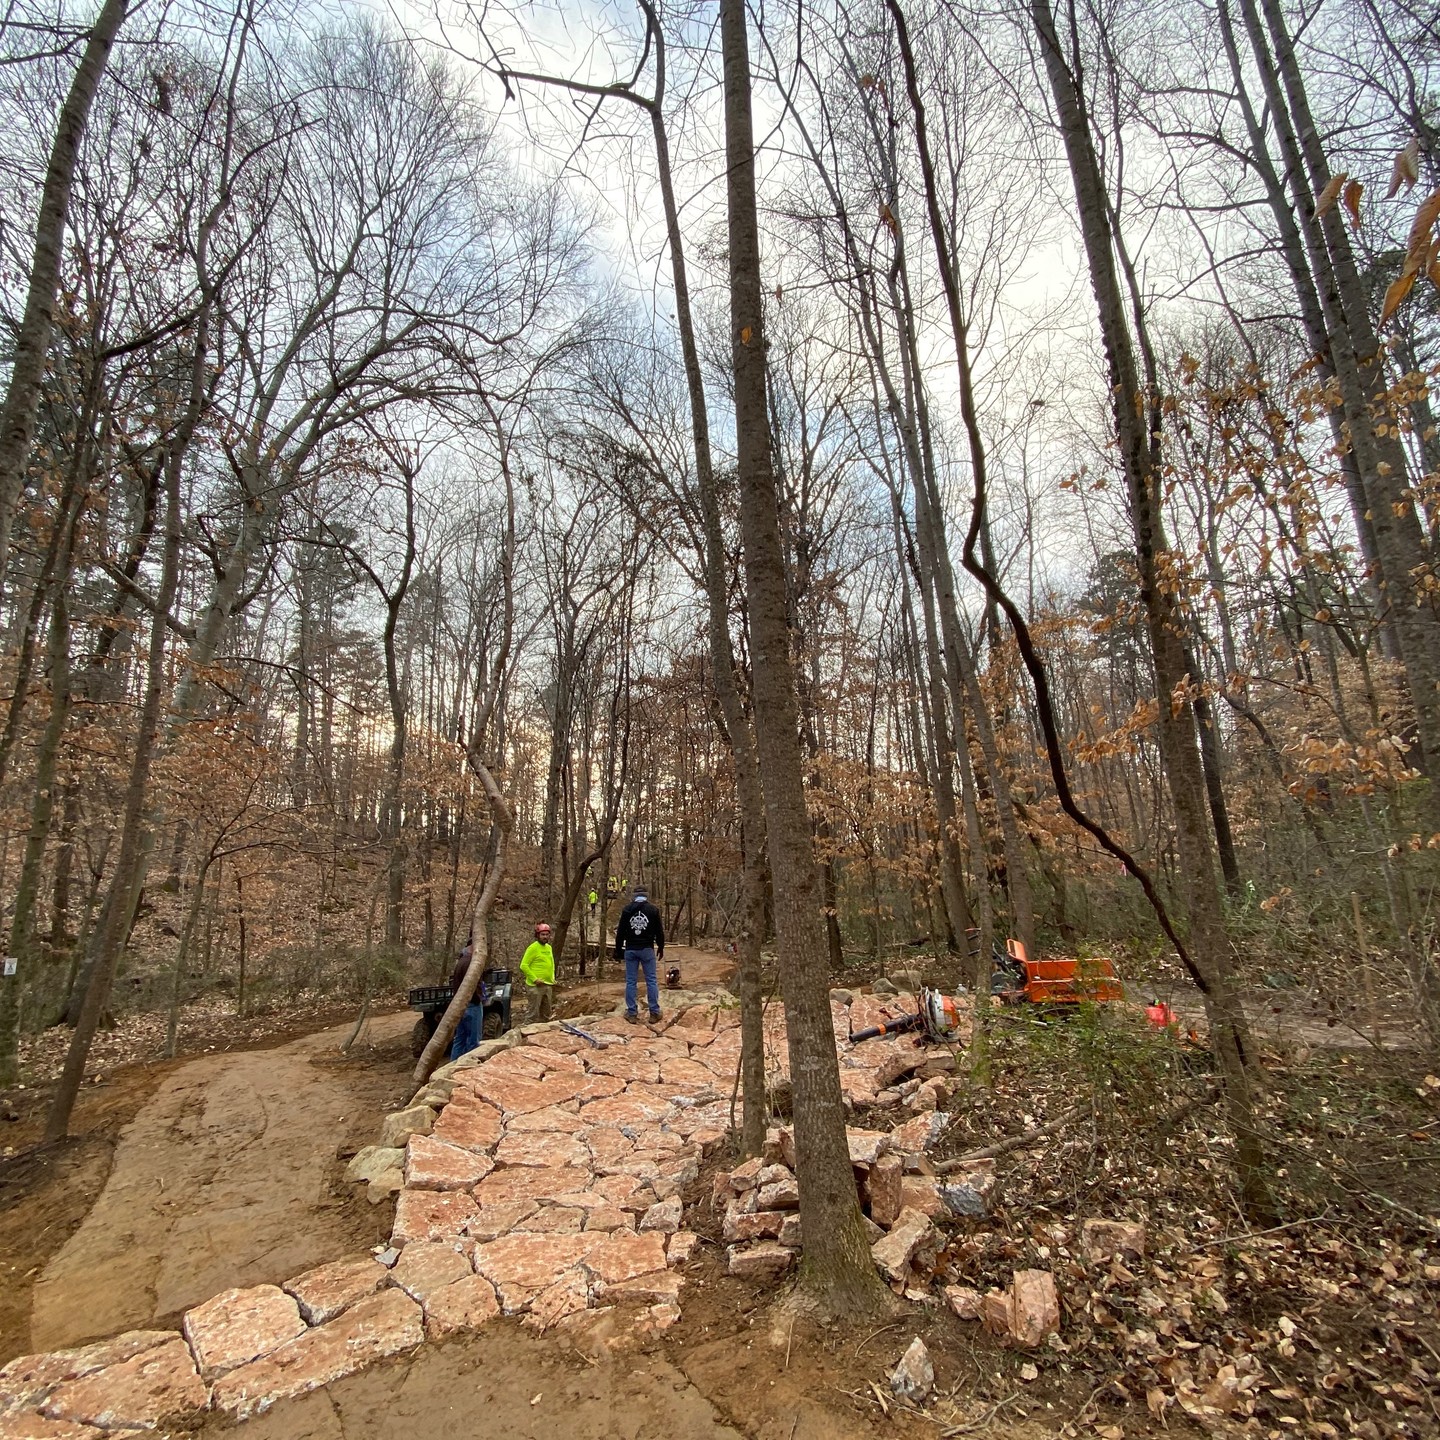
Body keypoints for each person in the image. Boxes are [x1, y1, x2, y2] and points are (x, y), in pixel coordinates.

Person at [614, 886, 664, 1024]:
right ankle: (654, 1012)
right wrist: (661, 947)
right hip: (647, 949)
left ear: (634, 896)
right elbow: (659, 931)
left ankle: (632, 1013)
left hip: (631, 949)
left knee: (631, 981)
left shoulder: (627, 909)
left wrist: (618, 949)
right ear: (646, 895)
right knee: (651, 980)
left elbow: (620, 932)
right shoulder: (653, 910)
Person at [448, 937, 482, 1059]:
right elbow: (474, 984)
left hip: (460, 1006)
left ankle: (453, 1064)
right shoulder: (471, 963)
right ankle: (470, 1065)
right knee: (473, 1040)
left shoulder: (461, 961)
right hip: (471, 1004)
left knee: (460, 1039)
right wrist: (479, 998)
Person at [520, 922, 555, 1022]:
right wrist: (535, 979)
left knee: (546, 1014)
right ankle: (527, 1031)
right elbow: (523, 965)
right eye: (542, 934)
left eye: (547, 934)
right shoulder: (533, 948)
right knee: (532, 1014)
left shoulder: (549, 948)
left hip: (548, 985)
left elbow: (551, 964)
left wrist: (552, 978)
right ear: (537, 935)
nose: (545, 937)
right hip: (535, 986)